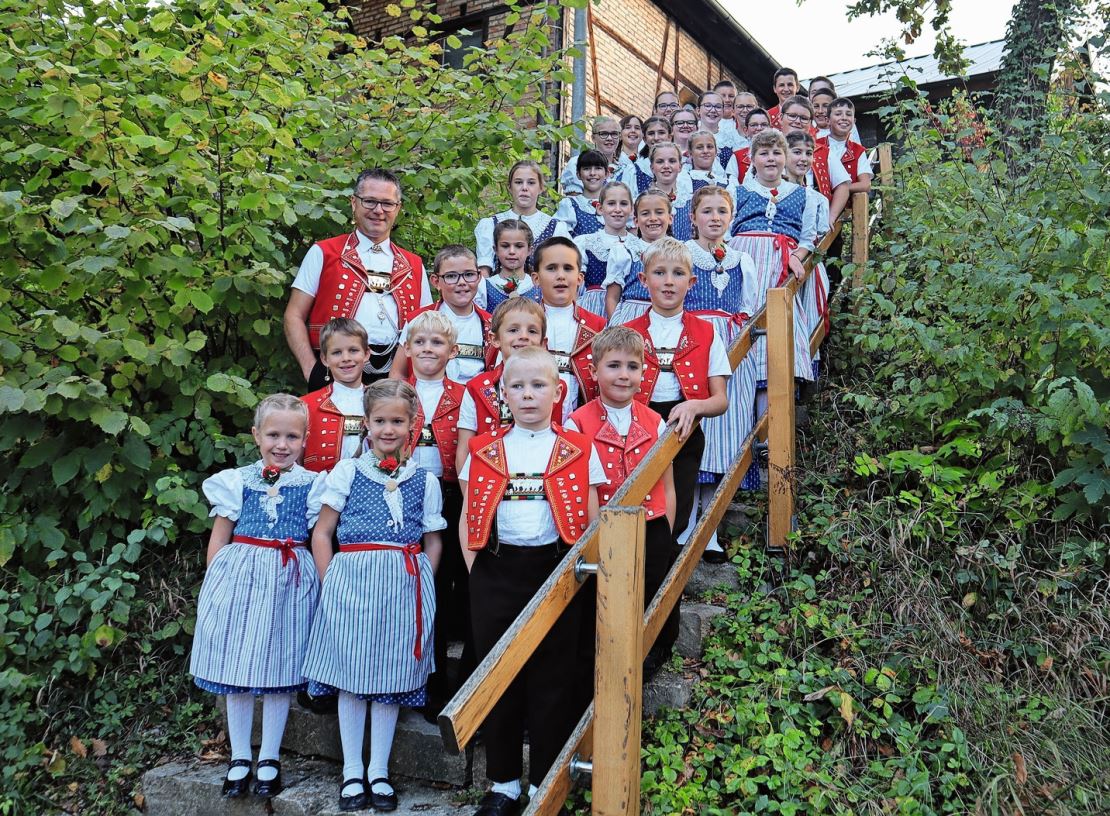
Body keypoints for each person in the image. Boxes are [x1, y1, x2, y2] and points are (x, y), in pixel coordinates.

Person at [458, 346, 605, 816]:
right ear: (502, 394)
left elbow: (592, 514)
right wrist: (477, 571)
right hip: (497, 572)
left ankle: (547, 783)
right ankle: (503, 784)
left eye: (538, 385)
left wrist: (581, 568)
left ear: (558, 392)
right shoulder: (484, 449)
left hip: (557, 571)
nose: (527, 394)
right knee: (498, 676)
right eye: (516, 386)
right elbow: (468, 515)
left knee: (553, 680)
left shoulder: (579, 448)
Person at [303, 380, 445, 813]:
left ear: (412, 425)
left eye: (397, 421)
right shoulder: (347, 472)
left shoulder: (424, 479)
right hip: (353, 584)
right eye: (380, 421)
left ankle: (379, 771)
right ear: (366, 424)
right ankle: (352, 771)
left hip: (403, 584)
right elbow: (322, 533)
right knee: (353, 674)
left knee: (388, 679)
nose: (388, 429)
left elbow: (434, 540)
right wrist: (331, 583)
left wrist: (422, 581)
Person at [191, 394, 324, 800]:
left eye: (292, 436)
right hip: (242, 582)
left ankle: (269, 755)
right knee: (239, 669)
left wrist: (319, 585)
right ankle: (238, 755)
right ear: (256, 435)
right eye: (273, 435)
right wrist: (218, 586)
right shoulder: (236, 481)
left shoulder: (312, 484)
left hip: (289, 579)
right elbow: (219, 541)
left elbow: (317, 536)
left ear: (304, 439)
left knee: (281, 668)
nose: (282, 445)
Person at [564, 327, 677, 682]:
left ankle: (647, 660)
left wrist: (666, 531)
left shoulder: (655, 422)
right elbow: (579, 489)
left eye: (632, 366)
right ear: (594, 371)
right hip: (604, 530)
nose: (623, 375)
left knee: (652, 596)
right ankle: (604, 671)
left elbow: (668, 485)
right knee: (605, 602)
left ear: (644, 373)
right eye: (613, 366)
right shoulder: (577, 422)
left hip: (651, 525)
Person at [620, 236, 731, 550]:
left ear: (691, 281)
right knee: (638, 510)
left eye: (678, 274)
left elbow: (720, 399)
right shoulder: (628, 332)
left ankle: (667, 593)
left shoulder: (707, 332)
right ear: (643, 280)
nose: (668, 282)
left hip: (684, 432)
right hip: (636, 431)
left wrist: (694, 406)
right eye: (659, 273)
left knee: (676, 517)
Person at [285, 168, 431, 391]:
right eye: (369, 201)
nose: (378, 210)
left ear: (398, 208)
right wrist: (310, 370)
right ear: (354, 203)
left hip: (396, 377)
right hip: (332, 372)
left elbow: (425, 328)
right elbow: (294, 315)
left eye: (387, 203)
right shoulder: (324, 252)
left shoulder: (414, 264)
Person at [399, 310, 476, 722]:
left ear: (453, 350)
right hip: (405, 491)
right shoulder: (395, 392)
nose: (428, 349)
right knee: (417, 583)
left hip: (451, 491)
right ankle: (418, 679)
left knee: (450, 584)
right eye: (421, 342)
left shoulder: (465, 394)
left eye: (438, 343)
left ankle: (451, 685)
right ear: (408, 348)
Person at [680, 187, 760, 557]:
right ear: (693, 216)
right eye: (707, 211)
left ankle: (708, 528)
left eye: (722, 212)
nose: (714, 218)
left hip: (728, 351)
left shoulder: (742, 260)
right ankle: (684, 523)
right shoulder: (683, 255)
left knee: (722, 438)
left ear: (731, 218)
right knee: (697, 433)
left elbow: (750, 311)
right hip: (691, 346)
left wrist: (740, 351)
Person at [728, 130, 821, 430]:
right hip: (744, 266)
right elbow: (724, 234)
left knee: (775, 344)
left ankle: (770, 441)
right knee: (744, 336)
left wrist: (796, 254)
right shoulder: (737, 191)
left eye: (777, 153)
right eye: (764, 153)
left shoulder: (803, 195)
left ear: (785, 158)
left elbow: (808, 237)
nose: (771, 159)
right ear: (752, 159)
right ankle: (740, 430)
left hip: (779, 270)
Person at [455, 298, 551, 469]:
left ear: (543, 343)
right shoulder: (476, 388)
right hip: (488, 479)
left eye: (532, 331)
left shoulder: (556, 387)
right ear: (495, 339)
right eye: (513, 330)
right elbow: (464, 450)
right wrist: (469, 495)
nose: (523, 336)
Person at [390, 246, 491, 385]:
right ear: (436, 281)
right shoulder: (418, 320)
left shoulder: (490, 324)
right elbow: (397, 373)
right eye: (451, 276)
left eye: (469, 274)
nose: (462, 282)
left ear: (479, 277)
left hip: (476, 401)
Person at [529, 236, 605, 421]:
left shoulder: (598, 326)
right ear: (536, 278)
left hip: (582, 418)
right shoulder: (524, 322)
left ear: (580, 278)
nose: (560, 275)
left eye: (568, 268)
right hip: (532, 413)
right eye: (551, 268)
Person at [785, 131, 832, 379]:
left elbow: (821, 237)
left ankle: (802, 378)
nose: (803, 158)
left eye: (809, 153)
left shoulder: (817, 198)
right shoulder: (772, 192)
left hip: (808, 266)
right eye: (797, 152)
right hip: (780, 263)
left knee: (808, 319)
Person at [475, 160, 570, 276]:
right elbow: (484, 272)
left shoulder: (556, 228)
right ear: (510, 187)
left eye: (531, 183)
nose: (524, 188)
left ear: (541, 188)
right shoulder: (491, 225)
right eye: (518, 182)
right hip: (498, 293)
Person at [301, 319, 371, 472]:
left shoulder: (381, 402)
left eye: (353, 350)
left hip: (370, 491)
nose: (346, 358)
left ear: (366, 354)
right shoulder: (306, 405)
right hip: (321, 491)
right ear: (325, 359)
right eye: (337, 352)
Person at [573, 181, 647, 319]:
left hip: (626, 312)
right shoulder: (587, 243)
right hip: (593, 311)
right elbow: (574, 285)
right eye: (611, 203)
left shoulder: (639, 247)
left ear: (631, 209)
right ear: (600, 208)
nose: (617, 209)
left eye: (623, 204)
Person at [609, 188, 675, 324]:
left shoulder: (679, 251)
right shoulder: (626, 250)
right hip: (633, 316)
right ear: (636, 221)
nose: (653, 218)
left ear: (670, 218)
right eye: (645, 213)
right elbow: (612, 297)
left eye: (659, 212)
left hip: (669, 317)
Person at [780, 95, 851, 222]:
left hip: (813, 221)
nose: (797, 121)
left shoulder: (822, 151)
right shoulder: (768, 148)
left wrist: (831, 217)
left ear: (811, 123)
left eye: (804, 118)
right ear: (781, 118)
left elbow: (843, 185)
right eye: (792, 115)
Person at [475, 219, 541, 311]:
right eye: (505, 246)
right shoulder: (484, 286)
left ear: (529, 250)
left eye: (519, 246)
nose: (512, 251)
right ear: (495, 249)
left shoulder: (538, 286)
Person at [822, 98, 873, 194]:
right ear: (827, 120)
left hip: (848, 206)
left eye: (848, 114)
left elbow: (865, 184)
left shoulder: (858, 150)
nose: (844, 118)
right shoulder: (816, 145)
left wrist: (838, 190)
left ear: (854, 121)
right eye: (838, 114)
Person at [554, 149, 608, 238]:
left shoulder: (615, 204)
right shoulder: (571, 205)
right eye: (587, 169)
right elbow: (559, 239)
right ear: (578, 174)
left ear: (606, 174)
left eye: (598, 168)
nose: (592, 173)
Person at [560, 115, 621, 194]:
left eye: (614, 134)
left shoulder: (626, 168)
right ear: (593, 138)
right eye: (603, 134)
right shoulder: (577, 163)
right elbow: (575, 202)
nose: (609, 138)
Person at [645, 142, 693, 241]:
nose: (666, 166)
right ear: (652, 168)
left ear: (680, 166)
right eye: (660, 161)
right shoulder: (643, 201)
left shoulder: (690, 201)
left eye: (672, 161)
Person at [621, 115, 672, 196]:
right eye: (651, 133)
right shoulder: (635, 169)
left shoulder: (679, 168)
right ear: (644, 139)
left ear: (669, 137)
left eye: (661, 133)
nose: (656, 138)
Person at [695, 90, 742, 170]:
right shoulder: (690, 136)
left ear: (723, 111)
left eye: (718, 107)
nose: (713, 110)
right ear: (698, 110)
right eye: (708, 105)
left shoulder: (730, 139)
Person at [688, 130, 739, 202]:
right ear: (690, 153)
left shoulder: (728, 181)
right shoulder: (684, 179)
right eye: (699, 147)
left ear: (715, 152)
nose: (705, 151)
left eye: (709, 147)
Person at [725, 107, 770, 181]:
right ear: (746, 130)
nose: (759, 128)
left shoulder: (779, 155)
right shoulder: (737, 157)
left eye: (764, 125)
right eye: (754, 125)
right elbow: (732, 187)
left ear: (770, 128)